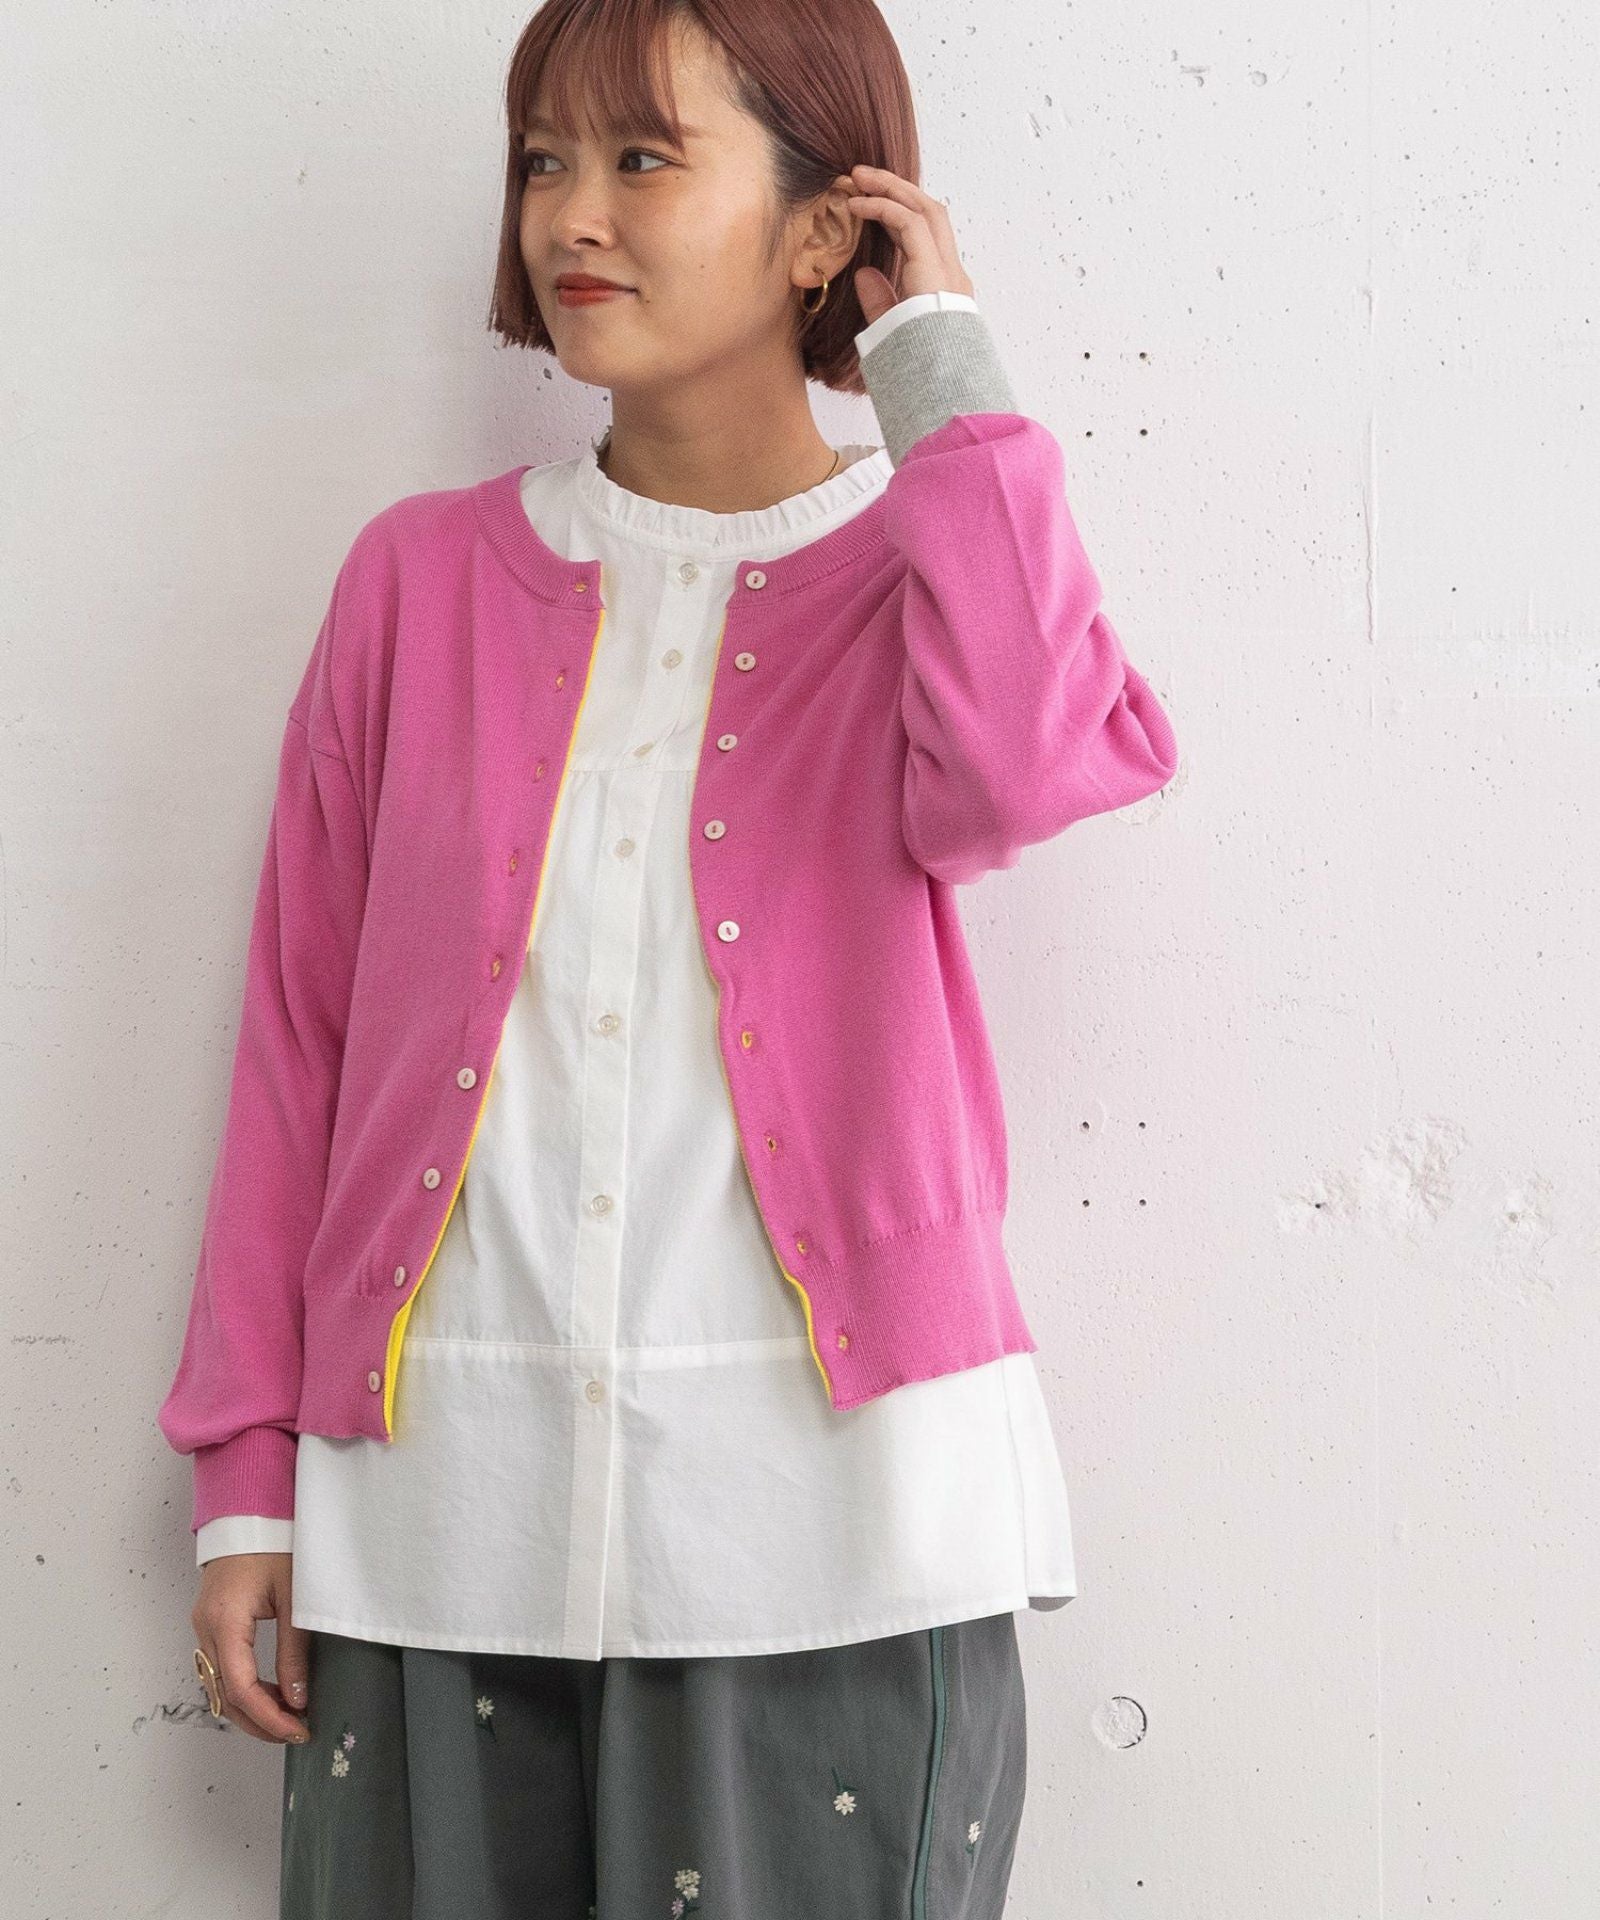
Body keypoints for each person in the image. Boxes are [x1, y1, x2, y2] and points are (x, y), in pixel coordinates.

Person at [157, 1, 1180, 1914]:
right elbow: (301, 1047)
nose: (572, 213)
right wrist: (246, 1477)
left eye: (643, 158)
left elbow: (1035, 762)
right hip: (434, 1528)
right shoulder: (417, 582)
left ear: (823, 227)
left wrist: (941, 368)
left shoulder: (922, 575)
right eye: (544, 158)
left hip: (836, 1538)